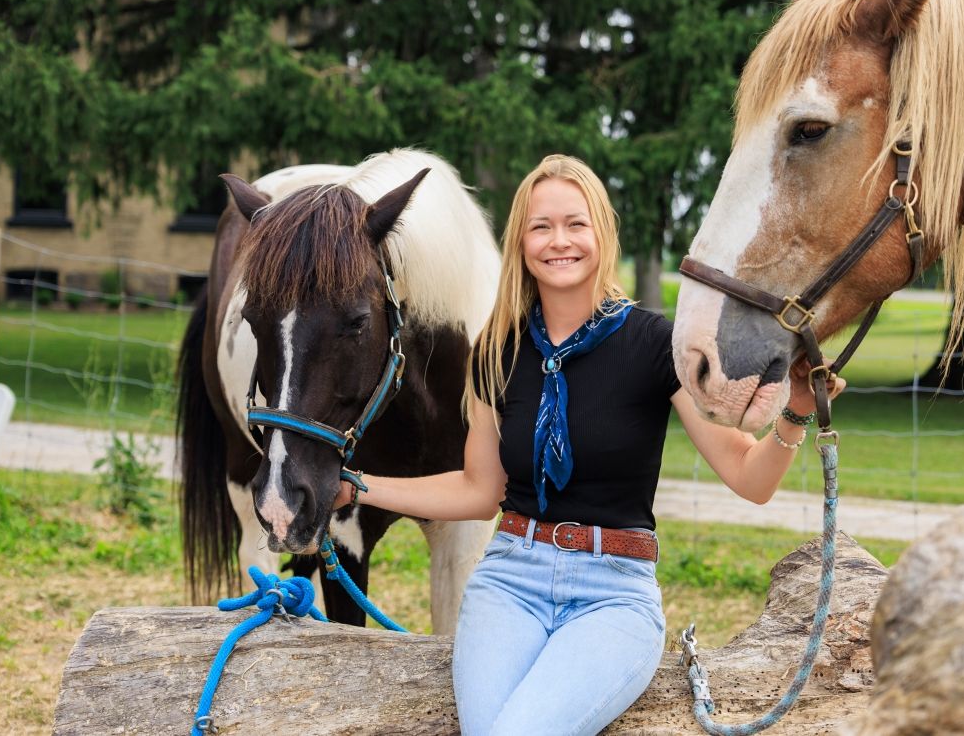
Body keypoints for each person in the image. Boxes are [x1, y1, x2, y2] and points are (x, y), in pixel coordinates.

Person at [332, 154, 844, 735]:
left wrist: (798, 412)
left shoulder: (655, 344)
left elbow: (750, 477)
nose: (560, 241)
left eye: (576, 224)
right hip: (510, 583)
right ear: (520, 241)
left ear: (602, 232)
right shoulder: (496, 348)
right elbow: (479, 491)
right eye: (541, 226)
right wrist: (358, 487)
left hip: (613, 594)